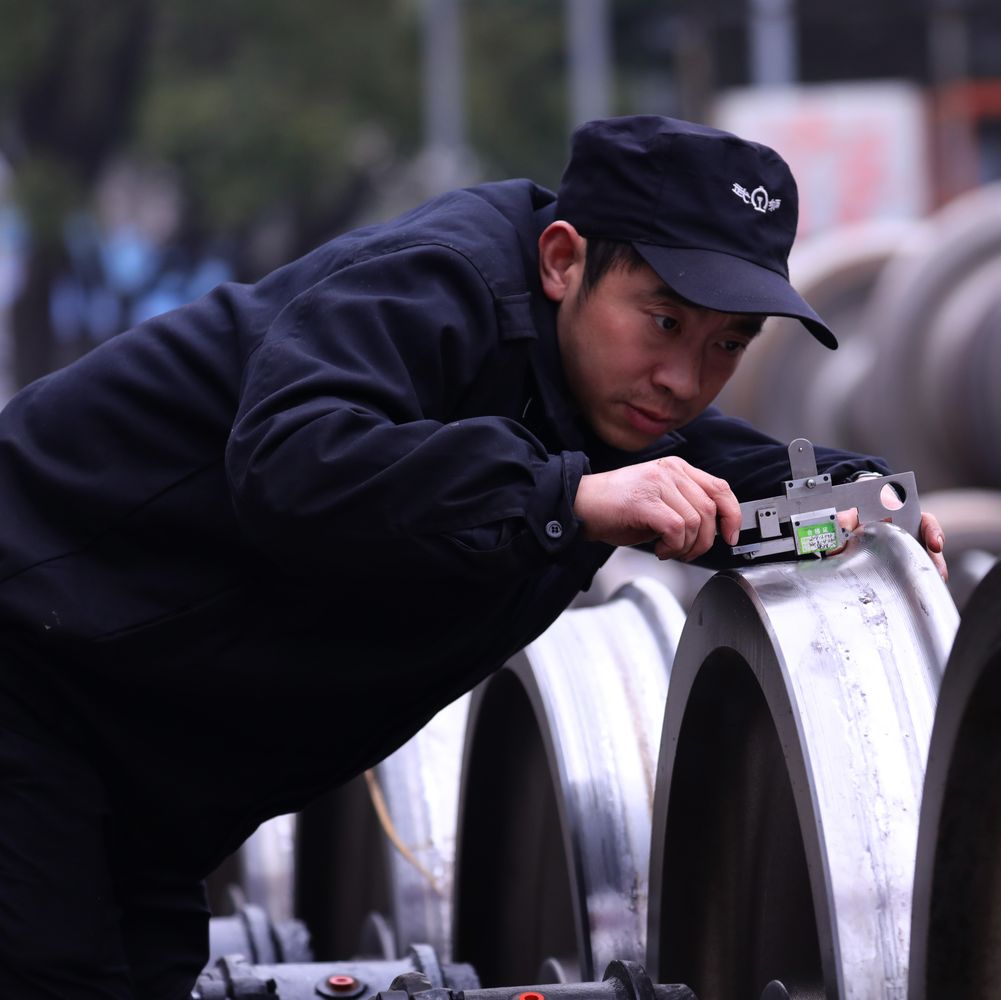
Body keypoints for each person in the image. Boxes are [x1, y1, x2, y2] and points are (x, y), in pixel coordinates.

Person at [0, 115, 946, 997]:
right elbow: (294, 459)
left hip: (144, 772)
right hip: (31, 668)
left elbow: (722, 493)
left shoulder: (609, 397)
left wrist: (861, 511)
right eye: (664, 321)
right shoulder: (429, 288)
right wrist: (564, 499)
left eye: (727, 344)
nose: (684, 379)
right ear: (563, 260)